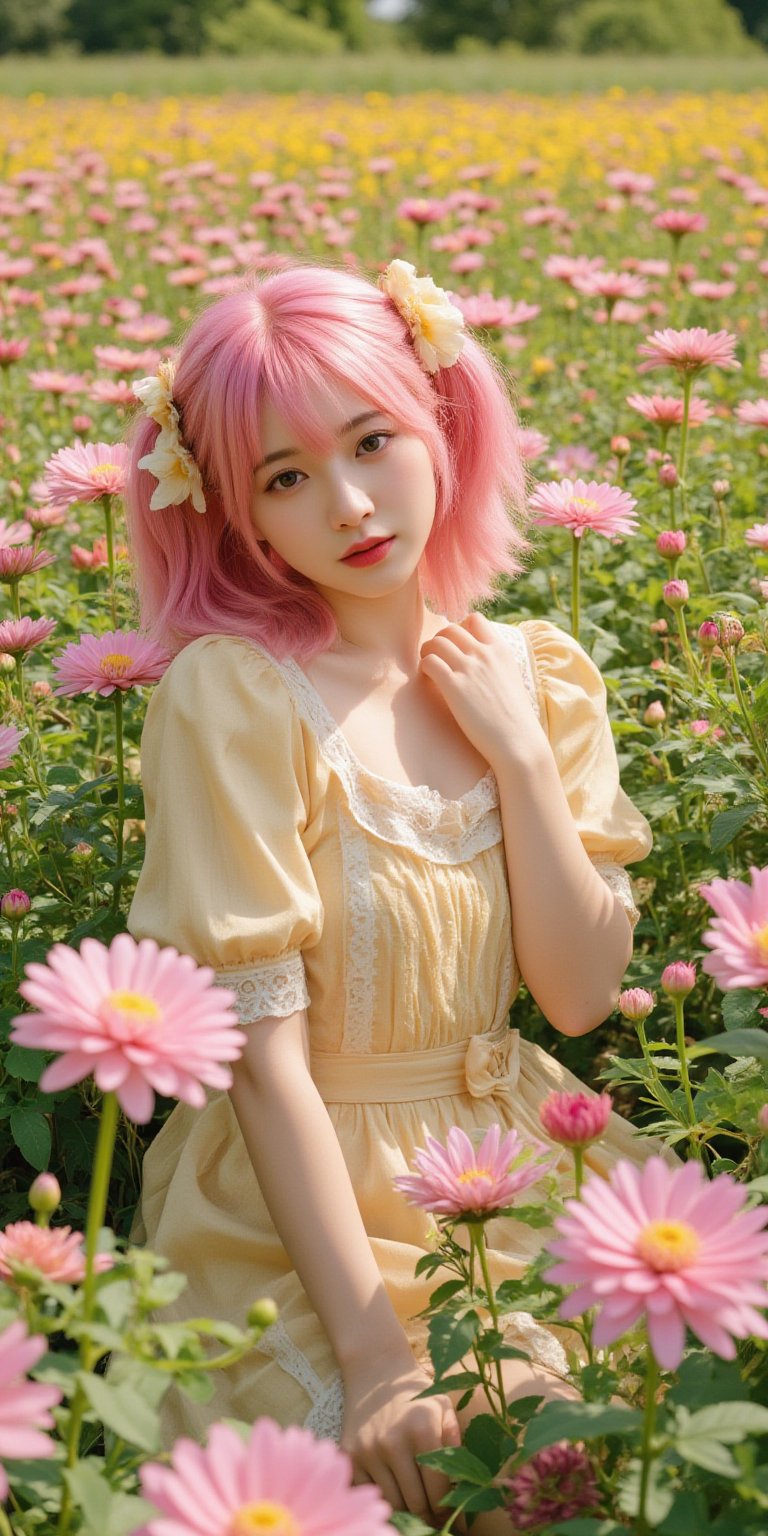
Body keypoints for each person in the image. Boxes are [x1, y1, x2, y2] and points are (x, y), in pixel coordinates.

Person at [125, 259, 657, 1533]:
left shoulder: (539, 672)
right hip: (299, 1211)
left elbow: (578, 1001)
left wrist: (521, 757)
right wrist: (375, 1361)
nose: (351, 504)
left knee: (621, 1455)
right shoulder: (236, 698)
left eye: (373, 441)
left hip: (510, 1159)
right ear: (234, 516)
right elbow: (262, 1066)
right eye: (285, 478)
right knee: (469, 1481)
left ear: (443, 424)